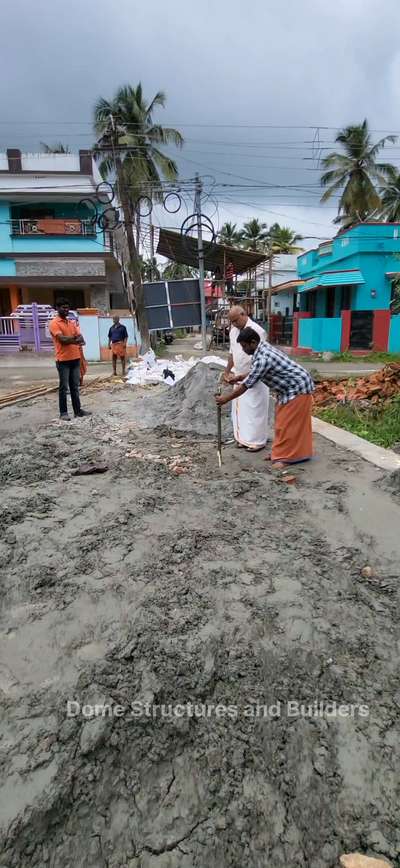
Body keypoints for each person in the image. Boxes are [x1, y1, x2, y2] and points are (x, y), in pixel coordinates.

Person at [216, 326, 314, 468]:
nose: (243, 350)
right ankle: (280, 452)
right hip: (288, 389)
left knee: (287, 424)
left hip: (297, 388)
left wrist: (226, 399)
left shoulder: (263, 357)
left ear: (253, 342)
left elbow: (246, 386)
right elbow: (255, 372)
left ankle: (285, 457)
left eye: (244, 346)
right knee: (281, 423)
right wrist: (240, 377)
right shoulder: (261, 349)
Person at [224, 306, 269, 451]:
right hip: (239, 374)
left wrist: (226, 398)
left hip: (256, 373)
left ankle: (257, 441)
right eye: (232, 322)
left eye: (236, 320)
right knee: (241, 411)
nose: (234, 324)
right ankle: (242, 438)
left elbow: (262, 357)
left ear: (244, 314)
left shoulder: (257, 331)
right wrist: (227, 371)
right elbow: (232, 353)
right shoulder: (233, 331)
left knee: (255, 410)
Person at [49, 299, 91, 421]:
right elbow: (62, 340)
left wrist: (72, 340)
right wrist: (74, 340)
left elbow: (81, 339)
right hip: (63, 361)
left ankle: (77, 411)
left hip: (75, 359)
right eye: (63, 307)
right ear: (57, 308)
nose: (66, 309)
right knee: (63, 387)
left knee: (75, 387)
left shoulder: (71, 323)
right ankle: (63, 413)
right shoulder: (54, 323)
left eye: (67, 307)